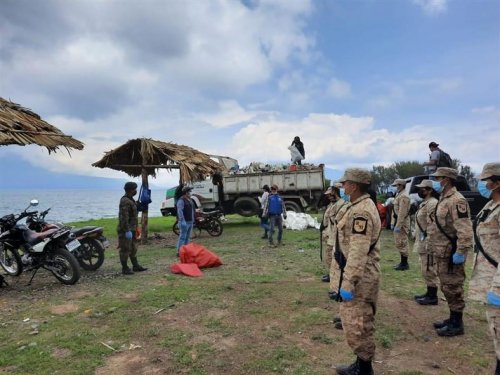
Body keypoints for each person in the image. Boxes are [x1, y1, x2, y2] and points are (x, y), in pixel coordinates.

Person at [332, 168, 381, 375]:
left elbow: (358, 251)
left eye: (345, 184)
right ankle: (361, 364)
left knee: (358, 323)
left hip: (360, 277)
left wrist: (349, 282)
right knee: (356, 322)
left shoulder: (361, 211)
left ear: (354, 185)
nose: (342, 187)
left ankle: (364, 368)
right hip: (356, 272)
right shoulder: (356, 205)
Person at [427, 167, 473, 337]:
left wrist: (461, 251)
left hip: (451, 252)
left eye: (438, 178)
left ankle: (457, 322)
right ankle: (452, 317)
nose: (436, 182)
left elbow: (465, 230)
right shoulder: (444, 198)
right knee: (446, 286)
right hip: (441, 251)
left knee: (453, 286)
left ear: (446, 179)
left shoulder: (457, 200)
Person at [467, 162, 500, 371]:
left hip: (497, 281)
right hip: (489, 277)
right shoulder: (489, 207)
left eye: (486, 181)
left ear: (497, 183)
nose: (483, 184)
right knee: (496, 328)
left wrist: (498, 287)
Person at [413, 180, 440, 305]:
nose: (420, 191)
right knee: (425, 267)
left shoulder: (433, 203)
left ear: (430, 190)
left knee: (429, 268)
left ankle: (432, 296)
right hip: (423, 240)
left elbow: (433, 224)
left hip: (429, 241)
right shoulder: (425, 203)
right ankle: (429, 292)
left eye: (423, 189)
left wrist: (430, 242)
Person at [117, 182, 147, 275]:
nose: (136, 191)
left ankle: (135, 266)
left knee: (134, 248)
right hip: (126, 229)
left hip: (133, 228)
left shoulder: (131, 200)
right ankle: (125, 268)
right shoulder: (125, 201)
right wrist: (126, 230)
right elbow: (123, 217)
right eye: (134, 189)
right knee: (125, 249)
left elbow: (132, 212)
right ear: (130, 190)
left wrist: (138, 206)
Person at [321, 184, 347, 286]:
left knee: (334, 258)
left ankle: (337, 277)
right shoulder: (332, 204)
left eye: (330, 194)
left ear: (335, 193)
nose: (328, 196)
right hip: (330, 235)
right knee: (329, 257)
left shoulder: (342, 205)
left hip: (336, 237)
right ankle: (331, 274)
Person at [391, 178, 411, 270]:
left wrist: (398, 225)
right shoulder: (399, 195)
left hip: (402, 222)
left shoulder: (404, 196)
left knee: (402, 242)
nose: (396, 187)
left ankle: (404, 263)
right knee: (399, 242)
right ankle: (402, 262)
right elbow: (394, 210)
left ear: (402, 185)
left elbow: (402, 213)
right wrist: (392, 223)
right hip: (397, 220)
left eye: (397, 185)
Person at [176, 186, 195, 256]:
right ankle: (179, 251)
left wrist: (193, 220)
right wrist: (182, 220)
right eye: (189, 191)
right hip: (184, 222)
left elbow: (192, 210)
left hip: (190, 221)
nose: (190, 193)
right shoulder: (181, 200)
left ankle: (185, 250)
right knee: (182, 237)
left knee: (187, 237)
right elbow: (180, 211)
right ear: (186, 192)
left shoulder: (189, 199)